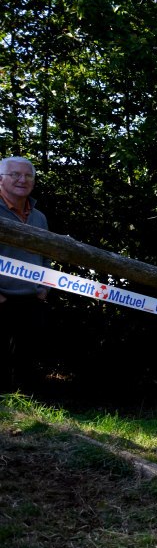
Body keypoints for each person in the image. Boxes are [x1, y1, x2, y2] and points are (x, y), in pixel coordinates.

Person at [0, 156, 50, 391]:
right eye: (15, 175)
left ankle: (27, 414)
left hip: (31, 299)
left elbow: (47, 254)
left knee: (27, 361)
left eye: (28, 175)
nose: (22, 180)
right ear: (1, 179)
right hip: (1, 298)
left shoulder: (39, 217)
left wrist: (44, 288)